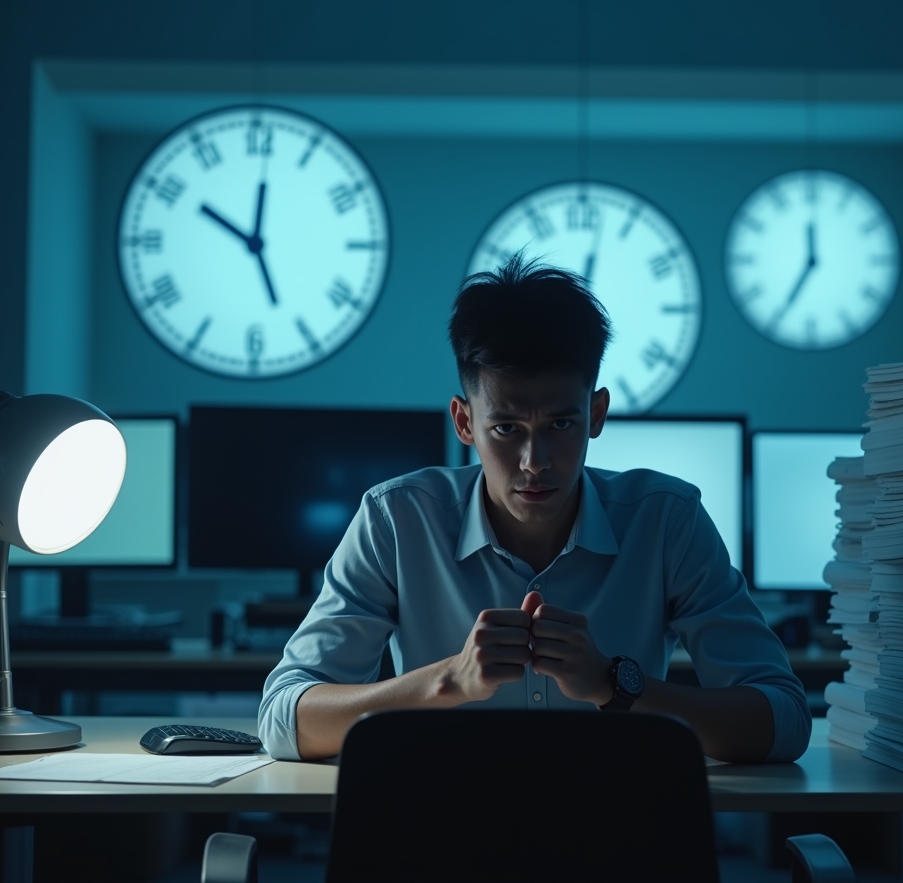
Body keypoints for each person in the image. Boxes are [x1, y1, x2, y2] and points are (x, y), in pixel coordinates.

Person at [259, 256, 810, 762]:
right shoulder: (396, 520)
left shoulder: (667, 520)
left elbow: (784, 721)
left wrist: (615, 685)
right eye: (506, 428)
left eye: (561, 425)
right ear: (465, 422)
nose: (534, 462)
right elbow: (282, 720)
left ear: (597, 414)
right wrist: (446, 683)